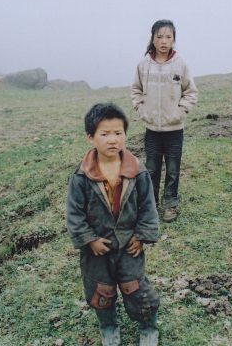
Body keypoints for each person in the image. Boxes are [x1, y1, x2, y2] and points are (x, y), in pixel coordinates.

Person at [66, 102, 161, 345]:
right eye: (104, 134)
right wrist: (90, 240)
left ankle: (148, 326)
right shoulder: (81, 176)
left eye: (118, 133)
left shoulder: (137, 171)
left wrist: (141, 236)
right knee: (101, 291)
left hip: (130, 245)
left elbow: (148, 206)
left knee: (136, 287)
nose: (113, 140)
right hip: (97, 250)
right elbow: (74, 214)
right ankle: (108, 327)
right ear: (90, 137)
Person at [131, 19, 198, 222]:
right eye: (159, 36)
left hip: (174, 130)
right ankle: (150, 206)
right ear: (152, 38)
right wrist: (142, 110)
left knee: (173, 169)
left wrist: (180, 112)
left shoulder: (180, 64)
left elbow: (191, 92)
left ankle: (170, 204)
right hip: (152, 129)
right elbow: (136, 90)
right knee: (151, 169)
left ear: (174, 40)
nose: (164, 41)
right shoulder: (143, 65)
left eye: (168, 37)